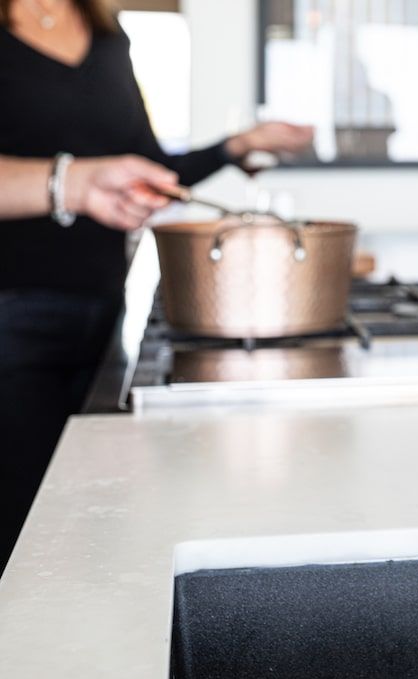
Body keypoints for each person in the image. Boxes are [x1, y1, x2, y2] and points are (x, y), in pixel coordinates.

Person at [0, 0, 314, 570]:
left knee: (76, 527)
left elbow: (142, 168)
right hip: (10, 315)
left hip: (102, 311)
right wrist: (72, 180)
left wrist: (234, 147)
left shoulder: (105, 33)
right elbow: (95, 178)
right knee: (20, 528)